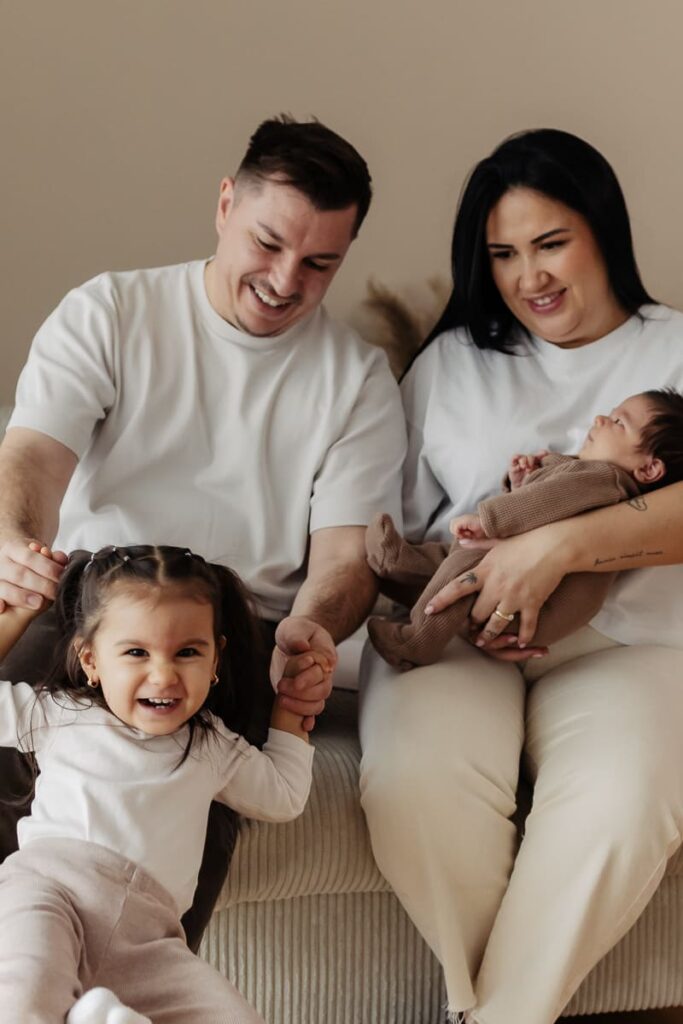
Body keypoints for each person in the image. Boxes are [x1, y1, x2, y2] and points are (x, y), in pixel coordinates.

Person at [0, 114, 406, 948]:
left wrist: (313, 628)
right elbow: (35, 458)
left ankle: (153, 971)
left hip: (231, 622)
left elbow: (342, 561)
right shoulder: (113, 308)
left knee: (185, 785)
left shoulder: (357, 381)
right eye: (267, 244)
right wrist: (14, 543)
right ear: (225, 205)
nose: (285, 280)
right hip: (88, 597)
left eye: (319, 263)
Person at [357, 129, 683, 1024]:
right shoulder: (451, 363)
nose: (527, 276)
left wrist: (560, 548)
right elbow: (394, 517)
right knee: (413, 789)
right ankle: (489, 1009)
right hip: (455, 628)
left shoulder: (674, 350)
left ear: (602, 233)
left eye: (549, 244)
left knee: (622, 804)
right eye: (502, 254)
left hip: (630, 643)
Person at [0, 542, 320, 1024]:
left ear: (215, 661)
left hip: (150, 938)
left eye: (188, 652)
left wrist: (291, 710)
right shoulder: (59, 714)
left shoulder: (213, 746)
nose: (163, 674)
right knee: (25, 997)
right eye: (135, 652)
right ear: (90, 660)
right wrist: (14, 619)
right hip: (52, 893)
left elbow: (284, 796)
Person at [366, 388, 683, 669]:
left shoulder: (605, 479)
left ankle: (414, 643)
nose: (600, 418)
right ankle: (400, 564)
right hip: (538, 601)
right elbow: (544, 503)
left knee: (467, 563)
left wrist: (488, 520)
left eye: (618, 422)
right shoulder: (599, 483)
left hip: (540, 603)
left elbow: (548, 499)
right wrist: (521, 483)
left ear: (650, 468)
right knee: (457, 559)